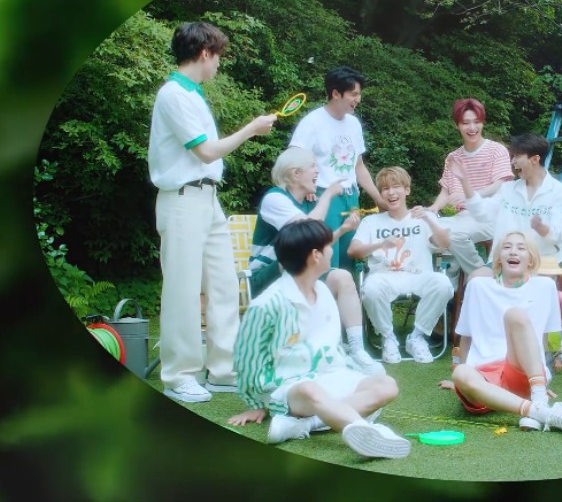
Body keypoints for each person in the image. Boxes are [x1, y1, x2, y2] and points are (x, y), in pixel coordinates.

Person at [148, 21, 277, 403]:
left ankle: (224, 370)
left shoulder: (193, 93)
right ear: (205, 53)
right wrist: (251, 129)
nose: (219, 64)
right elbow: (205, 151)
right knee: (183, 291)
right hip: (182, 200)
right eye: (218, 56)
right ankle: (179, 376)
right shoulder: (173, 94)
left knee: (224, 286)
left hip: (208, 199)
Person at [228, 219, 410, 458]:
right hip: (291, 389)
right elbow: (247, 358)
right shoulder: (267, 304)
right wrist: (256, 405)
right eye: (328, 246)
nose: (332, 251)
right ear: (316, 256)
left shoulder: (323, 290)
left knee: (386, 385)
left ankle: (304, 425)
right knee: (310, 390)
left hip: (332, 376)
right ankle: (367, 431)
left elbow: (331, 349)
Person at [247, 147, 381, 375]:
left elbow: (315, 243)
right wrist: (328, 195)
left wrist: (343, 229)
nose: (317, 172)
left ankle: (356, 350)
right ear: (296, 173)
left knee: (342, 277)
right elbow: (304, 233)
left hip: (297, 275)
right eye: (312, 167)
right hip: (266, 277)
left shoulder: (308, 203)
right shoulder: (274, 198)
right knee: (296, 260)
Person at [451, 230, 562, 436]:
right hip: (484, 379)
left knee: (515, 315)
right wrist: (460, 381)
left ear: (531, 259)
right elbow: (466, 337)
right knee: (460, 373)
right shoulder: (477, 286)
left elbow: (548, 341)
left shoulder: (545, 286)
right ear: (498, 258)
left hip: (522, 374)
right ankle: (540, 412)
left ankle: (538, 396)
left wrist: (543, 377)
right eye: (507, 247)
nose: (513, 252)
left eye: (521, 248)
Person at [448, 133, 562, 320]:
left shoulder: (559, 193)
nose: (512, 162)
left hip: (546, 259)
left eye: (517, 156)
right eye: (512, 156)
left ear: (535, 159)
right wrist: (465, 182)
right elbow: (482, 212)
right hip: (505, 259)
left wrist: (543, 229)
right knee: (475, 280)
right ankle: (484, 333)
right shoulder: (507, 190)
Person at [348, 167, 454, 364]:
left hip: (418, 275)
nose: (391, 192)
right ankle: (388, 338)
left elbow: (445, 244)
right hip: (384, 276)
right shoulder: (371, 221)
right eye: (385, 189)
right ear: (381, 194)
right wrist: (380, 244)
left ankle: (417, 337)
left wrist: (429, 219)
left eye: (396, 186)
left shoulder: (423, 217)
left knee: (443, 284)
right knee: (370, 289)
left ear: (407, 190)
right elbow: (353, 251)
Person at [289, 66, 385, 271]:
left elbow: (358, 166)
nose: (358, 99)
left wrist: (378, 198)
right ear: (335, 93)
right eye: (353, 94)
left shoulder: (354, 124)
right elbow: (293, 160)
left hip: (351, 198)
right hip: (323, 197)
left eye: (359, 94)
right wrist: (306, 186)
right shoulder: (312, 122)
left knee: (350, 257)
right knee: (325, 256)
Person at [427, 98, 514, 276]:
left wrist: (471, 196)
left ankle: (483, 276)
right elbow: (446, 190)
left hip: (491, 216)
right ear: (457, 125)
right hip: (462, 217)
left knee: (452, 235)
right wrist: (433, 209)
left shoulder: (497, 150)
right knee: (422, 230)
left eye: (477, 122)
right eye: (466, 123)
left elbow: (500, 184)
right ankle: (448, 280)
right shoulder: (453, 157)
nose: (472, 128)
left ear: (483, 123)